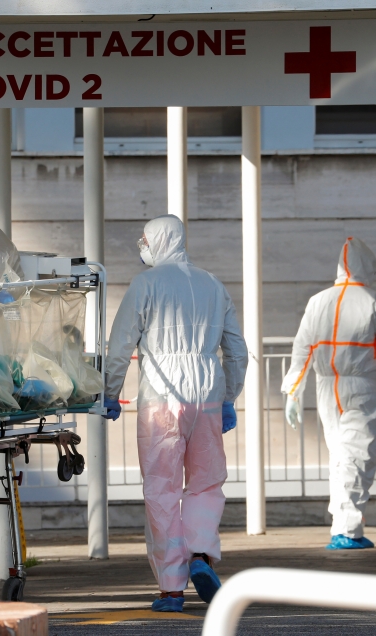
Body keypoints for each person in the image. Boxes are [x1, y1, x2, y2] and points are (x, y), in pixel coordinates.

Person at [103, 215, 248, 612]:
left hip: (161, 398)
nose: (141, 244)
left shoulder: (145, 284)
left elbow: (120, 346)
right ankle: (201, 553)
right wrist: (229, 398)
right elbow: (236, 350)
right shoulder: (213, 284)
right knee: (206, 482)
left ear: (157, 241)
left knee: (161, 488)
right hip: (207, 396)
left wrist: (109, 392)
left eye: (144, 239)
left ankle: (171, 588)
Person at [281, 237, 376, 551]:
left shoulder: (318, 301)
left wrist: (292, 391)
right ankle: (346, 530)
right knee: (357, 456)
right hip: (361, 387)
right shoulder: (374, 300)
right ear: (367, 266)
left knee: (341, 458)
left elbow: (302, 349)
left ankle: (343, 524)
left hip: (326, 387)